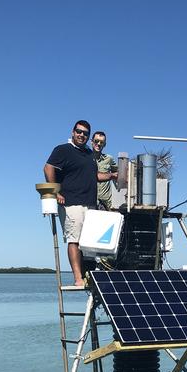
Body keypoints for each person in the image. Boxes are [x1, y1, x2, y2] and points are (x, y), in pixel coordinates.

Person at [44, 121, 115, 286]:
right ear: (73, 132)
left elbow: (95, 175)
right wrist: (56, 192)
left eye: (85, 133)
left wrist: (112, 176)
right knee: (74, 240)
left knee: (89, 242)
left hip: (90, 204)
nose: (81, 135)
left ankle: (88, 276)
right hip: (71, 203)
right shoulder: (63, 150)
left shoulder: (89, 154)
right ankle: (78, 278)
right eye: (79, 132)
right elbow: (48, 168)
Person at [91, 131, 118, 210]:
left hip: (106, 204)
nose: (99, 144)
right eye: (96, 141)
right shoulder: (85, 158)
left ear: (104, 144)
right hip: (90, 202)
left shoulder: (109, 159)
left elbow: (118, 173)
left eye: (101, 142)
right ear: (91, 142)